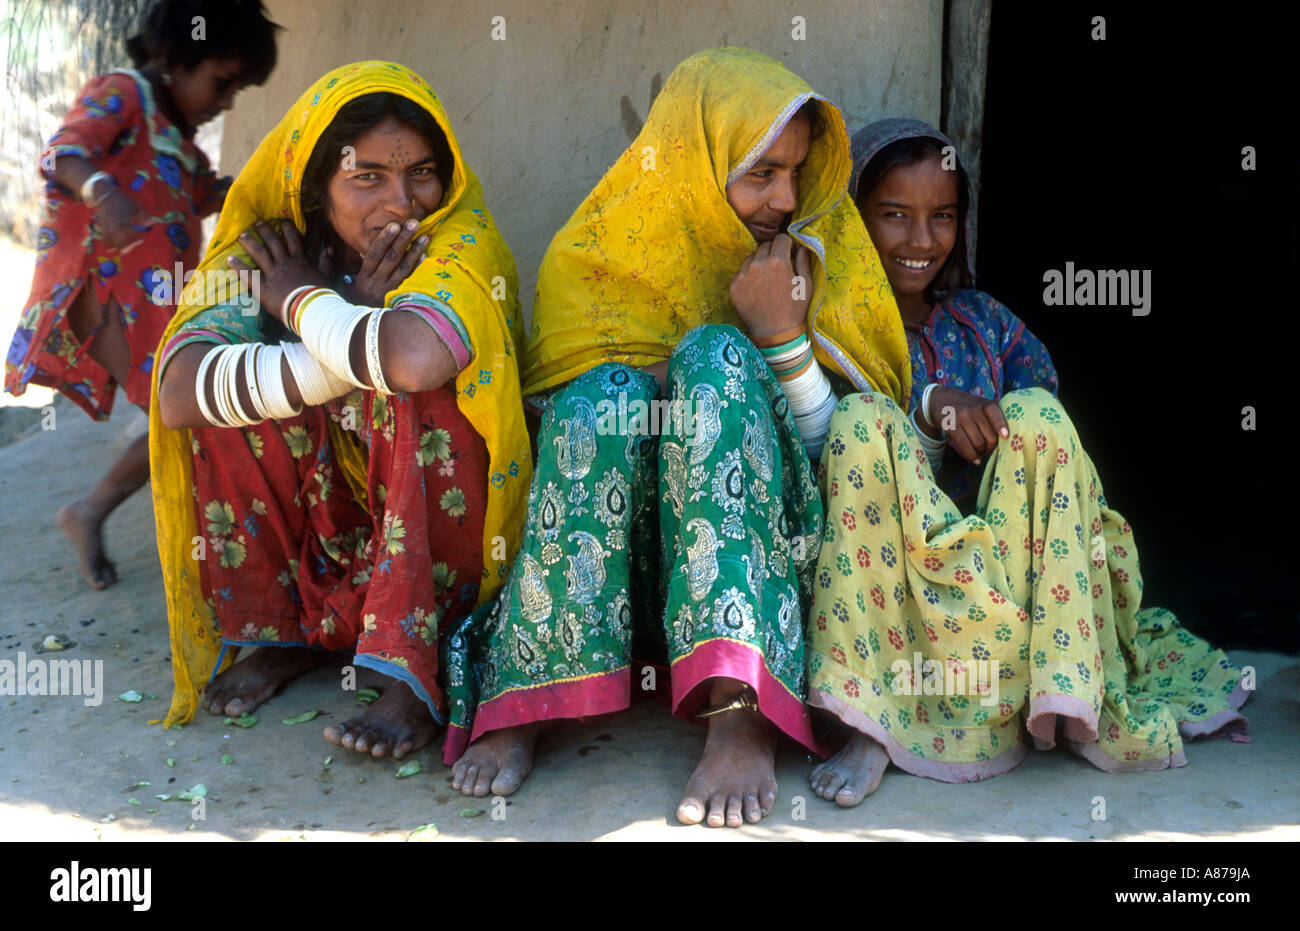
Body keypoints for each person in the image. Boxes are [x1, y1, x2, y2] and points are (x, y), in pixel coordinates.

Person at [443, 48, 911, 827]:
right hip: (612, 585)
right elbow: (550, 446)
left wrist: (782, 338)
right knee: (603, 394)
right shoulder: (587, 256)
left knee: (715, 356)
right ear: (695, 162)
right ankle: (530, 692)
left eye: (795, 172)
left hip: (764, 575)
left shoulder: (814, 260)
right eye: (759, 173)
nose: (784, 198)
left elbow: (860, 457)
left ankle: (739, 711)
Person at [806, 118, 1249, 806]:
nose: (921, 240)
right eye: (895, 215)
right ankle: (876, 723)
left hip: (1002, 576)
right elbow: (820, 451)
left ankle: (1065, 688)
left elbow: (1051, 459)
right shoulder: (830, 331)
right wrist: (929, 408)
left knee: (1039, 413)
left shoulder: (986, 324)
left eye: (942, 217)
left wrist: (988, 424)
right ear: (853, 218)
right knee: (860, 420)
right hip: (889, 589)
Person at [152, 61, 531, 759]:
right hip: (340, 522)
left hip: (442, 527)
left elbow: (413, 359)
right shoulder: (274, 250)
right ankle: (290, 630)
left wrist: (304, 304)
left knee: (407, 389)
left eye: (422, 172)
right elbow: (178, 394)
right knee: (231, 400)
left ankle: (419, 672)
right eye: (367, 179)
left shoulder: (456, 241)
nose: (403, 203)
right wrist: (348, 317)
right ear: (316, 191)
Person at [3, 0, 280, 590]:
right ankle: (110, 516)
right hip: (106, 297)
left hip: (158, 307)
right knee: (179, 410)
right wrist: (103, 191)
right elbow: (57, 153)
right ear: (172, 55)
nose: (226, 101)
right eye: (223, 82)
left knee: (178, 413)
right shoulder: (121, 93)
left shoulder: (181, 145)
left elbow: (209, 193)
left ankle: (92, 511)